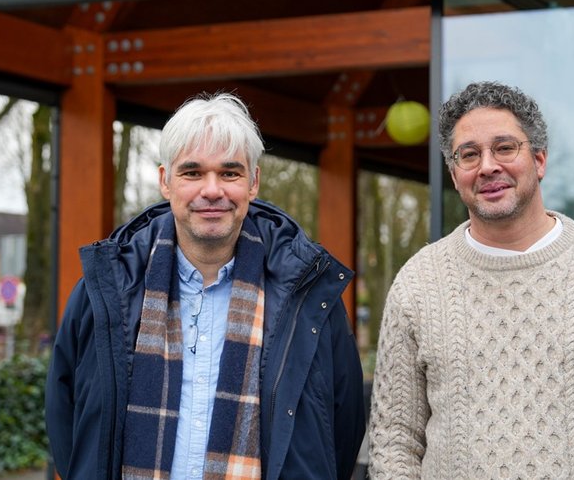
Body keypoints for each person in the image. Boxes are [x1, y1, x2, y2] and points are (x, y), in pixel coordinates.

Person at [368, 81, 574, 478]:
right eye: (469, 154)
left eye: (504, 148)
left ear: (539, 160)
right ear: (454, 174)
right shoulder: (417, 284)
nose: (487, 166)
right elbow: (394, 441)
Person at [46, 92, 365, 480]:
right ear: (165, 181)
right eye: (192, 173)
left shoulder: (308, 296)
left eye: (230, 173)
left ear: (253, 182)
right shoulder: (107, 288)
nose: (212, 190)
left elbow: (342, 427)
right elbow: (66, 419)